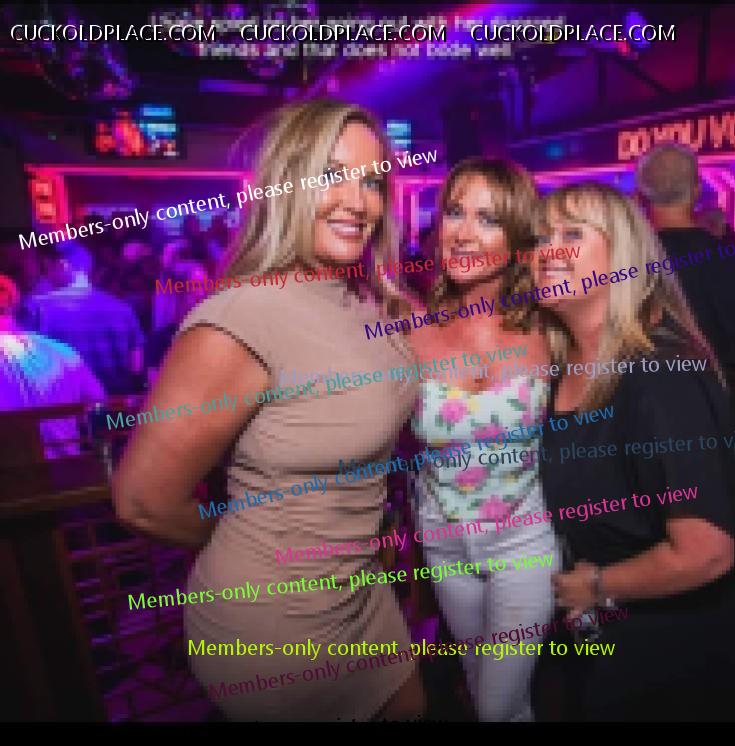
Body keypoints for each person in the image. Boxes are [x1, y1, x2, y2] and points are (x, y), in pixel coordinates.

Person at [111, 99, 424, 722]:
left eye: (371, 181)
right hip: (275, 625)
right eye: (331, 175)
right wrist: (248, 548)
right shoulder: (241, 320)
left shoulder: (363, 298)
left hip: (364, 595)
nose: (357, 202)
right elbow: (143, 501)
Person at [534, 182, 735, 720]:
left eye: (571, 235)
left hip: (679, 658)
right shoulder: (562, 365)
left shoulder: (659, 374)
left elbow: (706, 551)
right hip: (607, 648)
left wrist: (597, 586)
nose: (548, 251)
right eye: (540, 237)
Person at [408, 158, 556, 721]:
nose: (463, 233)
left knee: (494, 707)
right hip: (444, 543)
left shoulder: (549, 326)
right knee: (484, 689)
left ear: (517, 239)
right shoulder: (409, 329)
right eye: (454, 212)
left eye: (488, 219)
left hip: (523, 543)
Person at [635, 143, 735, 379]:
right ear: (697, 190)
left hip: (645, 386)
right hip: (715, 387)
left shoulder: (629, 258)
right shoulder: (731, 257)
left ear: (642, 194)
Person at [0, 273, 105, 458]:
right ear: (14, 304)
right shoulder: (63, 351)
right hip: (68, 469)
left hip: (11, 473)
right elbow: (98, 405)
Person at [24, 243, 144, 394]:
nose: (44, 276)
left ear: (62, 265)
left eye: (45, 267)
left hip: (66, 404)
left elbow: (26, 366)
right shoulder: (123, 309)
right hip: (116, 403)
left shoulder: (36, 309)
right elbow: (136, 366)